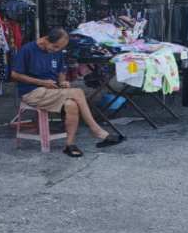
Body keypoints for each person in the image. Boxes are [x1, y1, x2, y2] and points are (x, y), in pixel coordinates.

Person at [11, 28, 123, 157]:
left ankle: (69, 145)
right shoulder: (27, 49)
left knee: (72, 105)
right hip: (32, 92)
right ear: (46, 39)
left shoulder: (57, 51)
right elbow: (14, 75)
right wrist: (41, 82)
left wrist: (63, 82)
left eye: (59, 48)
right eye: (55, 46)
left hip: (52, 91)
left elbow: (61, 73)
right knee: (78, 92)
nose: (56, 50)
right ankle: (97, 131)